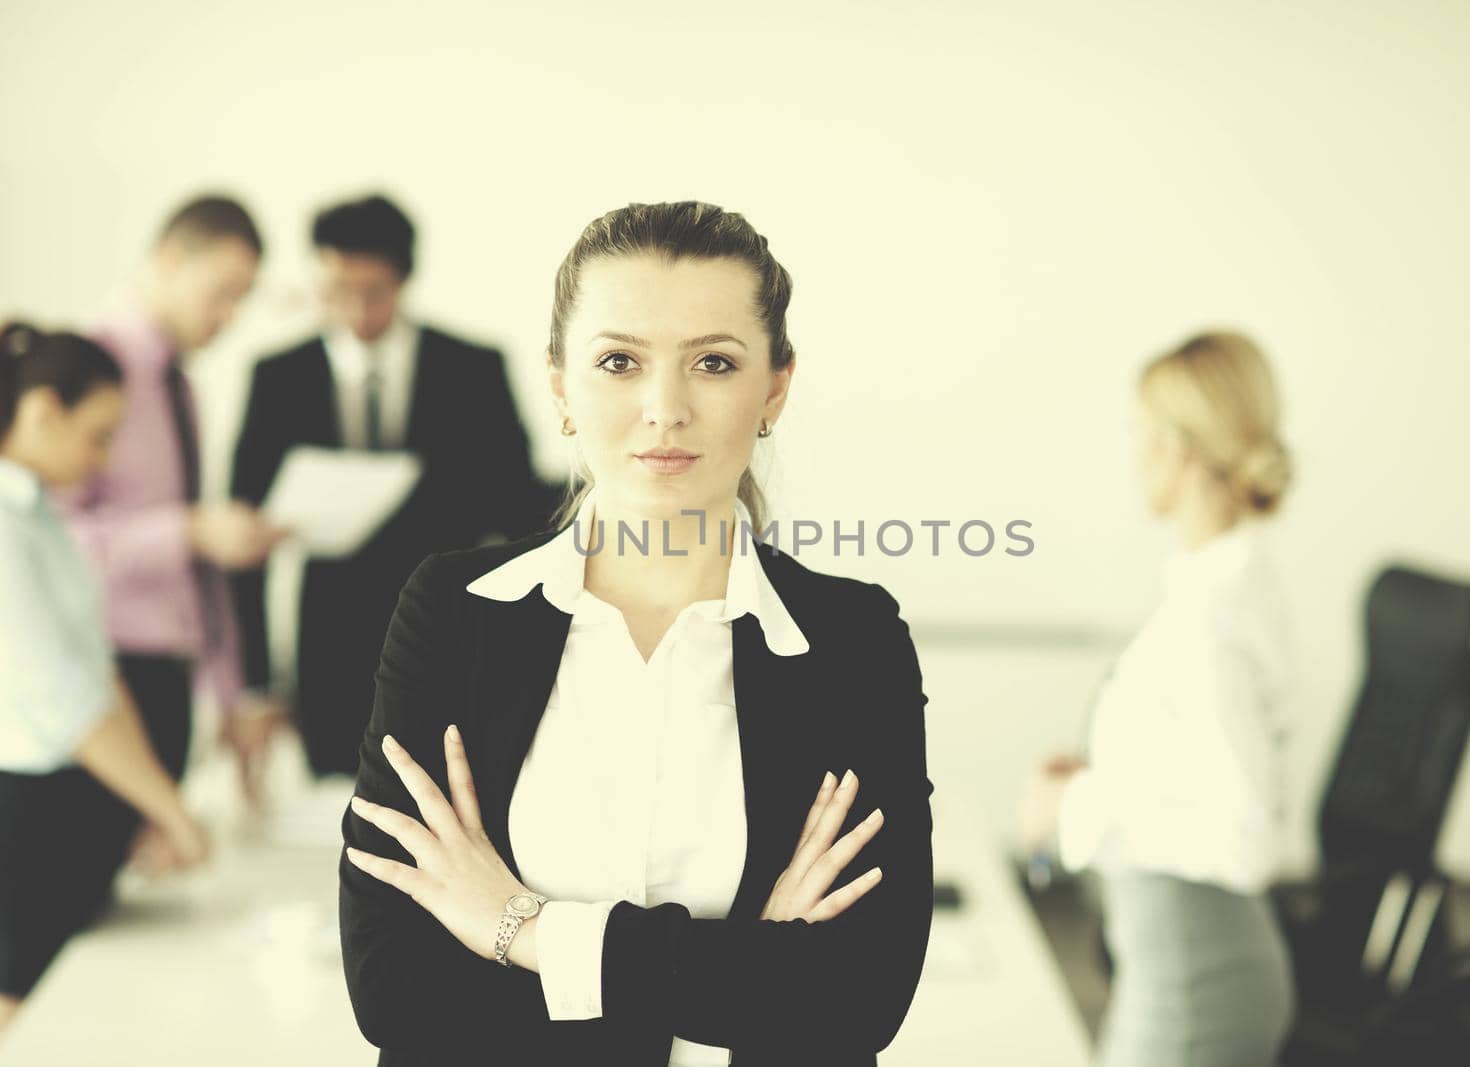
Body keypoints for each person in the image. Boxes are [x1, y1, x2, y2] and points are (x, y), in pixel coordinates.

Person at [337, 201, 934, 1065]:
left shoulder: (851, 639)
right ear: (560, 387)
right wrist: (751, 964)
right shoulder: (452, 611)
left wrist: (519, 928)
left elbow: (857, 997)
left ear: (774, 388)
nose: (665, 408)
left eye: (714, 363)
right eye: (619, 361)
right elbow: (396, 989)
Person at [1020, 331, 1298, 1067]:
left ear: (1179, 448)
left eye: (1142, 435)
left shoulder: (1215, 616)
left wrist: (1072, 807)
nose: (1136, 455)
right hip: (1180, 969)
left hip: (1196, 989)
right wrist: (1093, 778)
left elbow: (1245, 841)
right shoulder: (1217, 582)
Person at [230, 193, 556, 779]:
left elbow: (518, 511)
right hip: (326, 648)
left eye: (373, 292)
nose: (355, 310)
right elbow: (243, 540)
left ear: (404, 280)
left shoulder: (473, 369)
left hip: (450, 632)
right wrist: (254, 684)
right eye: (335, 291)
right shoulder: (278, 377)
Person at [0, 324, 210, 1037]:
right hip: (21, 819)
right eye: (97, 435)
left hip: (63, 813)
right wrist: (175, 812)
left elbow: (98, 671)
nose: (105, 457)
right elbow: (66, 701)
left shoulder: (40, 517)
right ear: (40, 412)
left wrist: (156, 799)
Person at [56, 194, 284, 839]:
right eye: (222, 292)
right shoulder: (86, 369)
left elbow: (198, 564)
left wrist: (231, 696)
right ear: (169, 259)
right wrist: (187, 530)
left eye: (243, 298)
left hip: (171, 681)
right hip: (107, 680)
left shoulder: (179, 385)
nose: (230, 317)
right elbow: (47, 540)